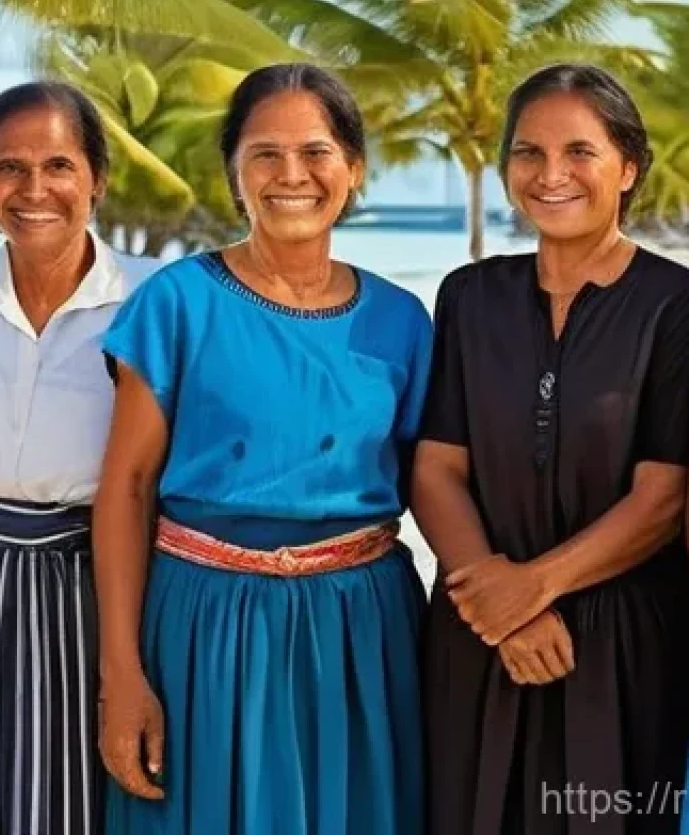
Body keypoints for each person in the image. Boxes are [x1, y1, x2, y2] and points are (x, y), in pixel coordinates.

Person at [94, 63, 432, 835]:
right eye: (264, 155)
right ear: (234, 175)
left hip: (360, 633)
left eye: (315, 152)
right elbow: (126, 488)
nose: (292, 175)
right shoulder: (177, 302)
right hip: (203, 625)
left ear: (353, 168)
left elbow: (435, 484)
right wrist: (122, 675)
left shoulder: (404, 319)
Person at [413, 63, 689, 835]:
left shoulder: (675, 305)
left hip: (620, 648)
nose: (551, 175)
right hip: (477, 635)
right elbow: (436, 467)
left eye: (580, 152)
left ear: (628, 167)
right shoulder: (468, 296)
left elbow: (664, 495)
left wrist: (531, 588)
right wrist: (497, 602)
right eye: (529, 153)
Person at [0, 81, 157, 835]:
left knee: (84, 785)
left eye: (58, 166)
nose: (33, 188)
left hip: (96, 572)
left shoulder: (156, 298)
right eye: (9, 168)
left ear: (97, 180)